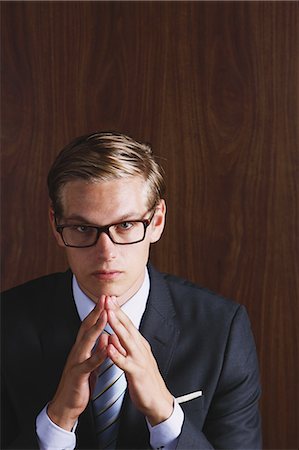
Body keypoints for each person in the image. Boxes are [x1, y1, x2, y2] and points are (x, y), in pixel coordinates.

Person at [1, 131, 262, 449]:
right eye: (83, 228)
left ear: (157, 222)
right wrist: (58, 419)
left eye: (125, 225)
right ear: (56, 225)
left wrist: (166, 415)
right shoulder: (6, 324)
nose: (106, 252)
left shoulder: (222, 330)